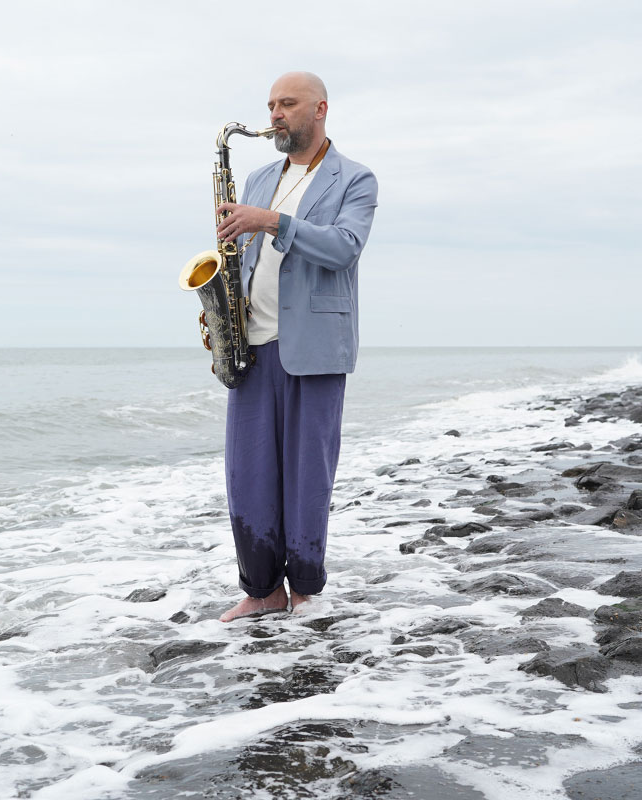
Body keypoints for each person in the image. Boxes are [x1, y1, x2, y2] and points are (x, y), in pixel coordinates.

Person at [215, 71, 378, 622]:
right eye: (270, 104)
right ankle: (262, 591)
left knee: (308, 474)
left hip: (314, 349)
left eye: (288, 103)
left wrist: (273, 221)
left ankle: (305, 591)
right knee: (248, 474)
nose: (275, 114)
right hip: (252, 346)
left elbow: (344, 249)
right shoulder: (259, 177)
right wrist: (223, 313)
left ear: (321, 109)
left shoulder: (355, 180)